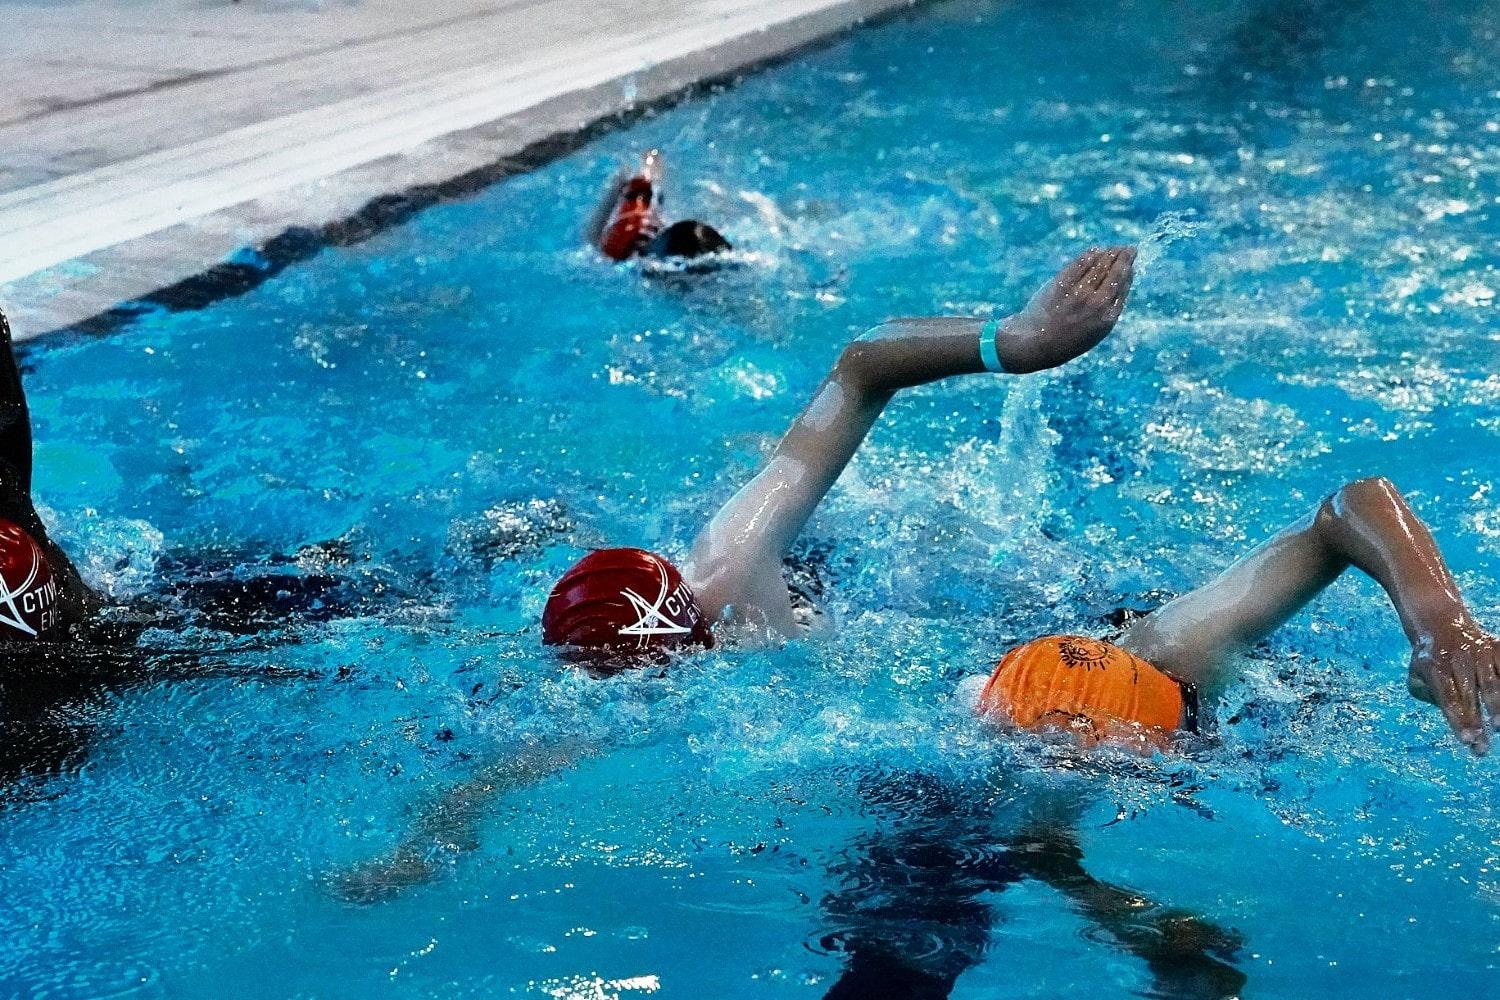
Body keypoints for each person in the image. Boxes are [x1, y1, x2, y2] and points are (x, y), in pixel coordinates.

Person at [331, 245, 1139, 900]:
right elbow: (494, 780)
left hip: (857, 575)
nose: (625, 690)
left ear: (694, 622)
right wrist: (420, 850)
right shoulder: (597, 691)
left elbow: (865, 363)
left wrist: (1020, 341)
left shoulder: (733, 561)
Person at [974, 477, 1500, 755]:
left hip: (1153, 604)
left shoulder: (1177, 651)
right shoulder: (1031, 745)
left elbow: (1355, 503)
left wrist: (1440, 625)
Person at [587, 149, 733, 262]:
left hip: (652, 226)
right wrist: (618, 187)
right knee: (644, 176)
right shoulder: (619, 245)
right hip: (637, 205)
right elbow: (592, 236)